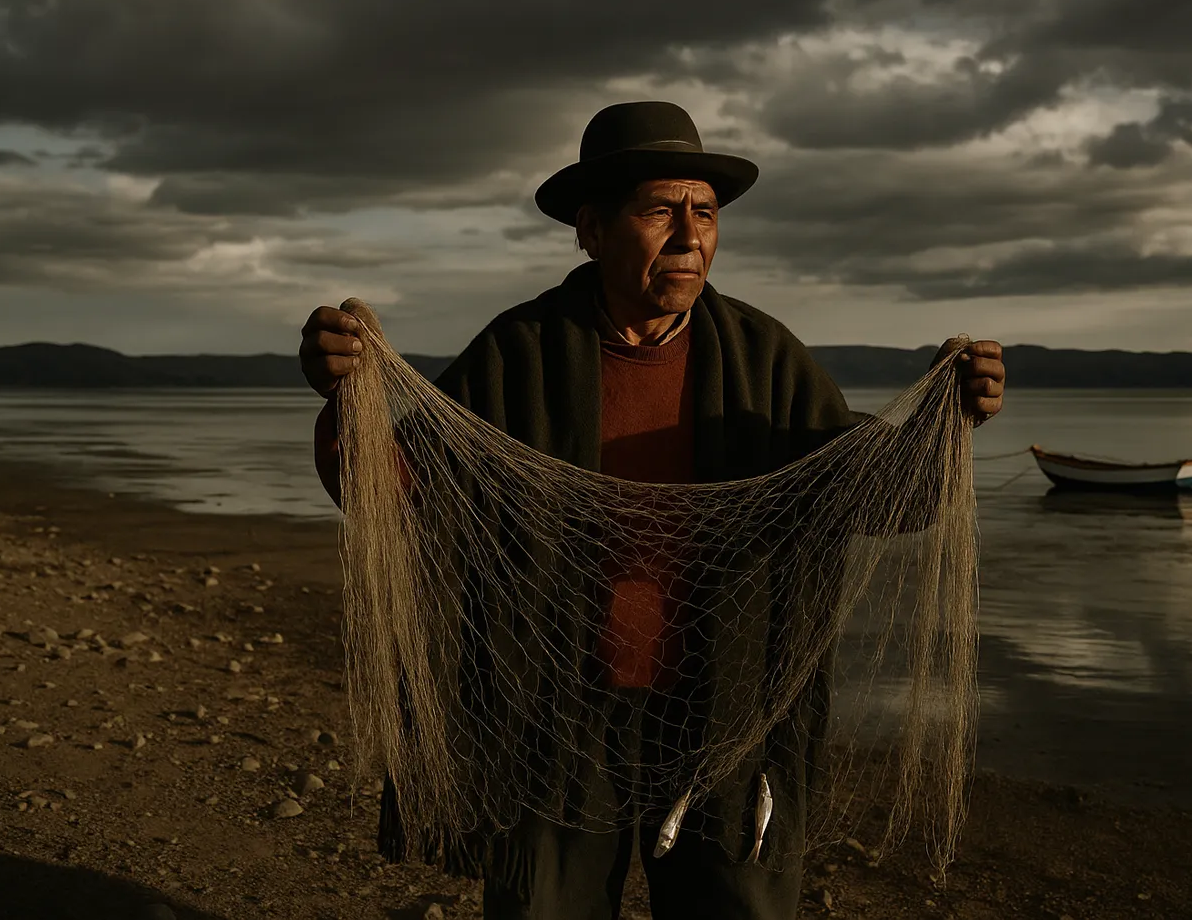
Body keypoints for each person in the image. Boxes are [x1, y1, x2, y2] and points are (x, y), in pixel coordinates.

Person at [300, 101, 1005, 920]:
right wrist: (344, 400)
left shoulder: (765, 361)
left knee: (734, 904)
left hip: (730, 709)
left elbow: (871, 493)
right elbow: (395, 487)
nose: (688, 235)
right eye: (658, 210)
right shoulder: (518, 355)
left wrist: (943, 425)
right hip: (553, 711)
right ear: (591, 230)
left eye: (703, 212)